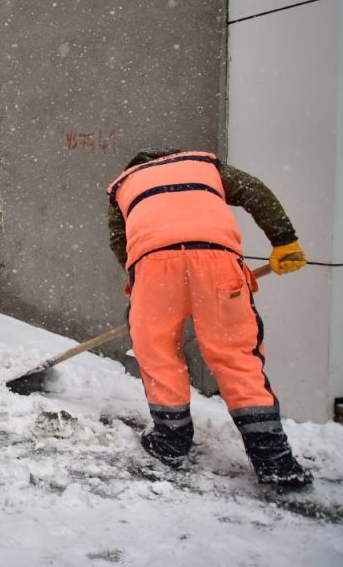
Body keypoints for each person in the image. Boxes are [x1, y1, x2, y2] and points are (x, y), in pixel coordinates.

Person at [106, 147, 312, 486]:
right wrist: (284, 240)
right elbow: (254, 192)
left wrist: (145, 281)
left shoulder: (123, 185)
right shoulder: (203, 166)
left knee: (157, 352)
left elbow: (120, 241)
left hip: (154, 265)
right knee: (236, 356)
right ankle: (273, 458)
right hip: (217, 261)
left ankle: (170, 442)